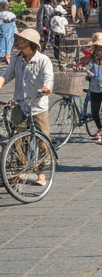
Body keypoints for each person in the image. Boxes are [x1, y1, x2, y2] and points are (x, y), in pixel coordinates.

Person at [0, 28, 54, 181]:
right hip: (20, 104)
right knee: (17, 138)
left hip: (38, 105)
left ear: (28, 43)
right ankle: (21, 170)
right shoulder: (17, 58)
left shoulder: (43, 60)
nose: (16, 43)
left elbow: (48, 78)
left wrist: (46, 88)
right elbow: (5, 75)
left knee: (42, 139)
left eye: (19, 41)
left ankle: (41, 173)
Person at [80, 32, 102, 145]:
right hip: (95, 87)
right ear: (94, 48)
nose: (100, 50)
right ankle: (99, 129)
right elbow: (89, 70)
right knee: (94, 112)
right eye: (97, 48)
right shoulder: (91, 59)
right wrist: (86, 71)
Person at [0, 0, 16, 64]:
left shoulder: (1, 15)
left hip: (3, 32)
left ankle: (3, 55)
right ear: (7, 6)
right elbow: (14, 26)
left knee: (3, 40)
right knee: (9, 40)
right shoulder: (12, 15)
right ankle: (8, 54)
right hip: (10, 31)